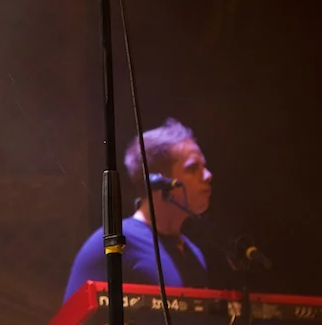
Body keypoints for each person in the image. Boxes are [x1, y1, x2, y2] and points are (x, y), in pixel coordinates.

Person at [63, 118, 213, 301]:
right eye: (192, 168)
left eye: (204, 166)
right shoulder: (114, 241)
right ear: (157, 181)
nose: (208, 175)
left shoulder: (194, 254)